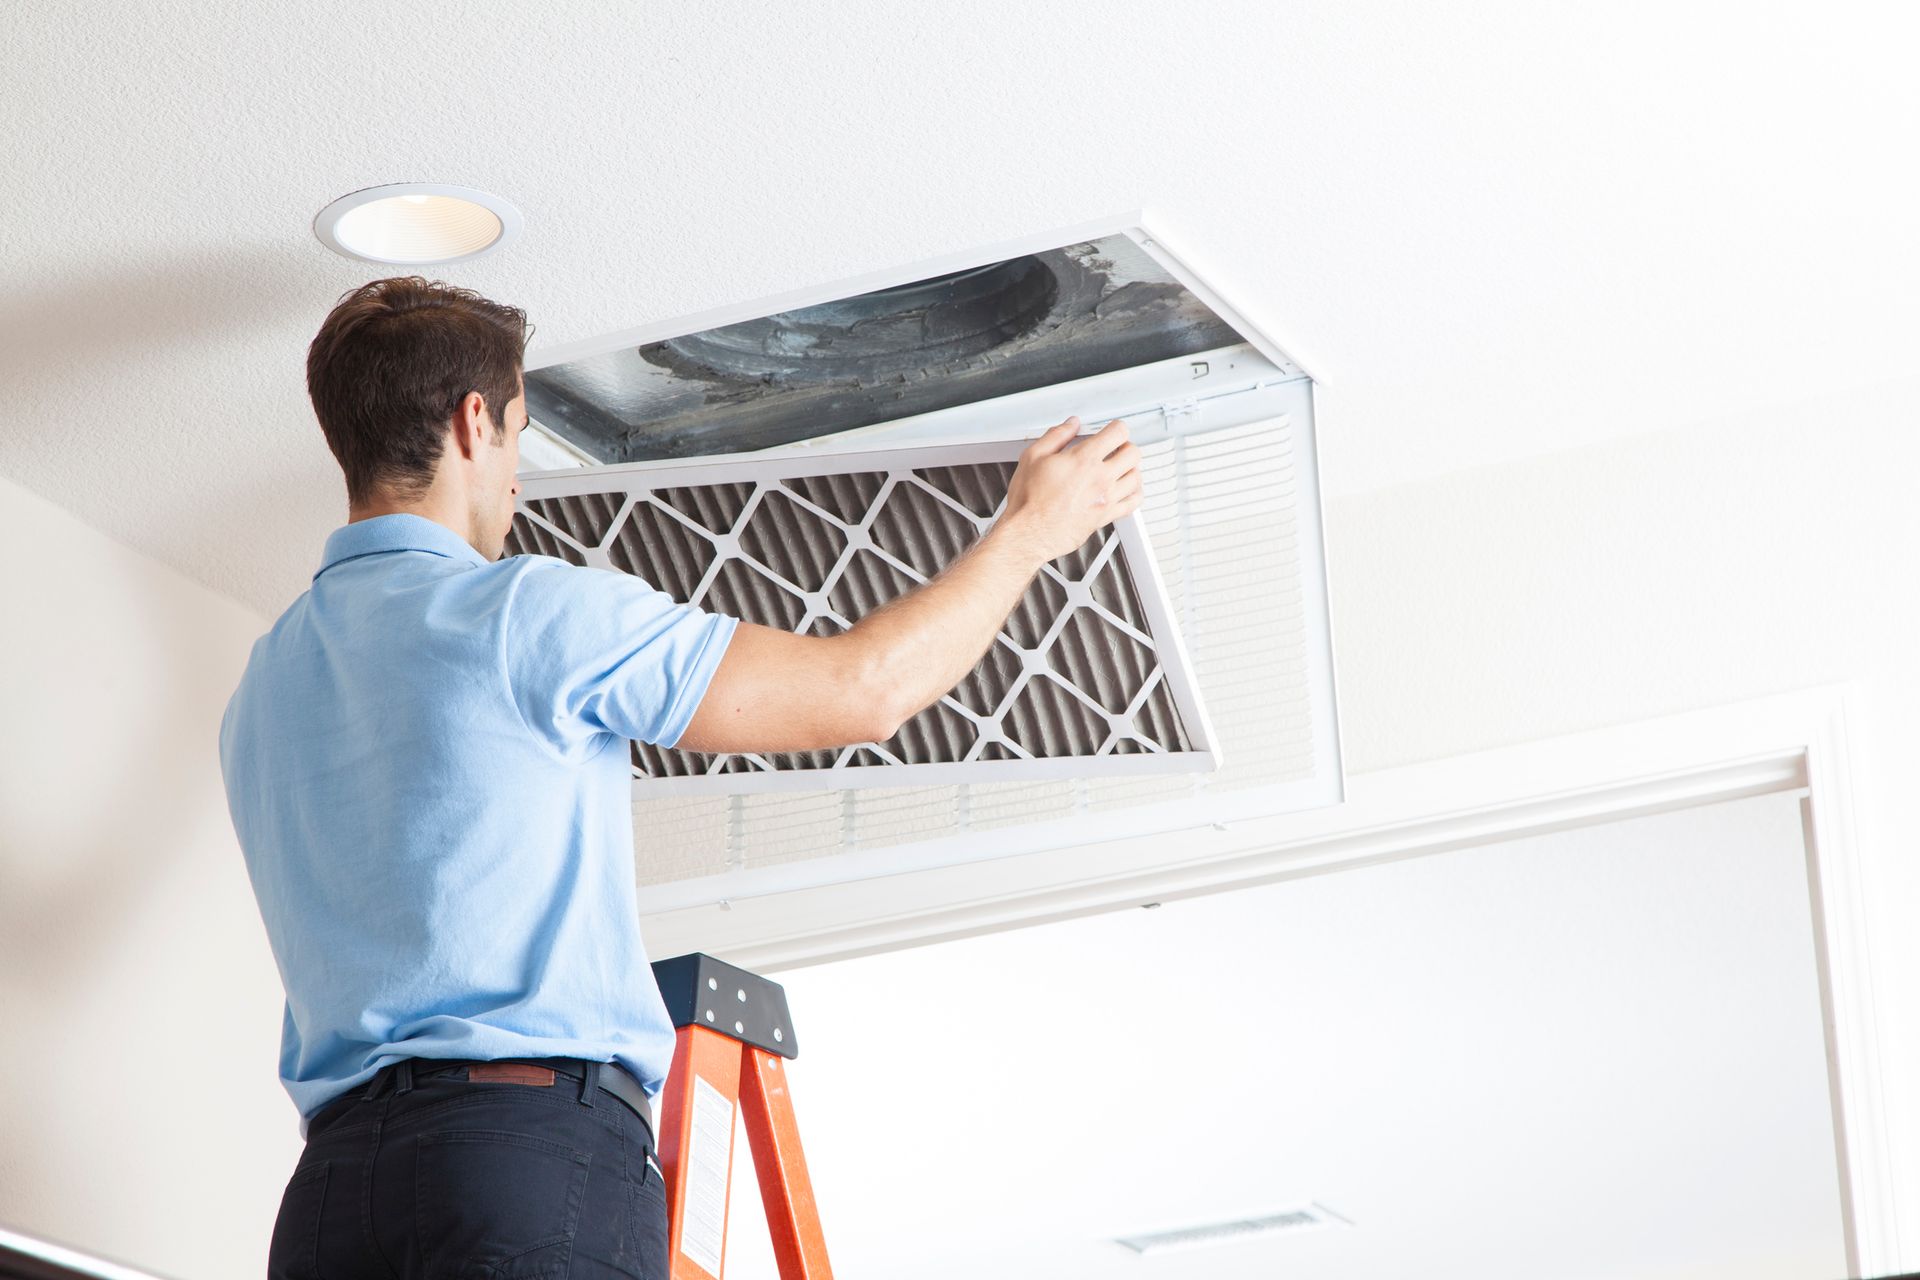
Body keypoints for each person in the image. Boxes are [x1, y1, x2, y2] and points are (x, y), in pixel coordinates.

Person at [220, 276, 1143, 1279]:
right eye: (521, 432)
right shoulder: (527, 612)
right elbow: (861, 688)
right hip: (515, 1163)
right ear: (473, 420)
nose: (519, 476)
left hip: (328, 1204)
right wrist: (1028, 535)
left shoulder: (263, 687)